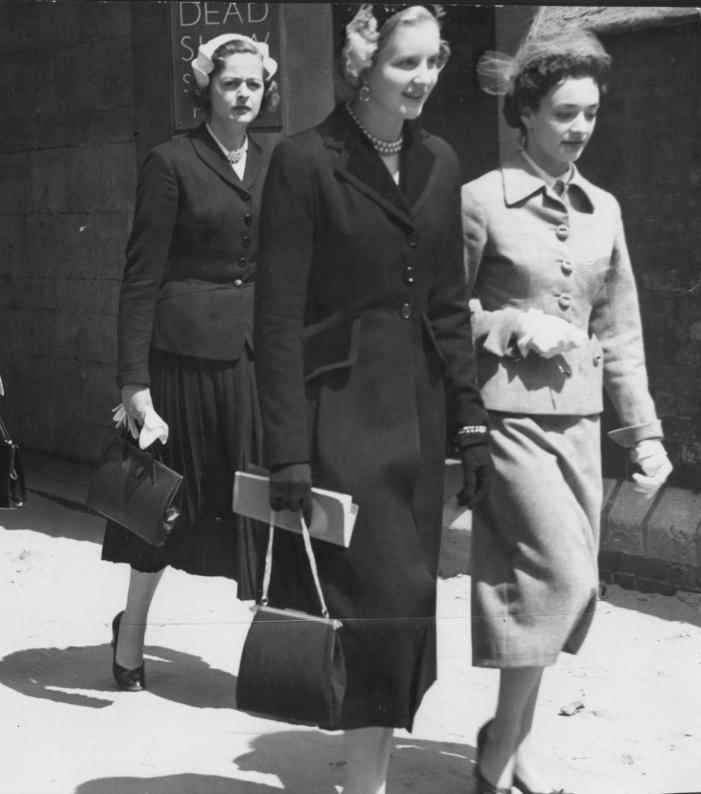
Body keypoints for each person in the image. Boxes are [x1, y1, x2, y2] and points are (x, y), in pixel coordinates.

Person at [253, 6, 492, 793]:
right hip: (342, 416)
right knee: (372, 602)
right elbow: (278, 317)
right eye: (403, 64)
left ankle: (370, 775)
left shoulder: (441, 161)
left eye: (433, 62)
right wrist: (287, 448)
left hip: (418, 417)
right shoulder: (304, 160)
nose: (422, 79)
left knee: (406, 603)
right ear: (364, 64)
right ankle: (368, 784)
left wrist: (472, 421)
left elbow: (449, 305)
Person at [462, 30, 673, 794]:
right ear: (526, 114)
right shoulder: (482, 199)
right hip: (510, 420)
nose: (580, 128)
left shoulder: (603, 209)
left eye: (589, 113)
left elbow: (620, 327)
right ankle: (500, 746)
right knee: (559, 579)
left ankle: (512, 742)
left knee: (562, 586)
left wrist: (642, 431)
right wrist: (511, 324)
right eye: (563, 113)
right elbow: (440, 312)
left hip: (579, 423)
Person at [101, 33, 280, 691]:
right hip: (181, 363)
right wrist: (134, 386)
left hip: (252, 360)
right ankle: (131, 637)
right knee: (162, 509)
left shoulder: (275, 159)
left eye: (253, 85)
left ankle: (269, 659)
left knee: (262, 507)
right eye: (230, 83)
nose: (242, 95)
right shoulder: (170, 161)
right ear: (206, 88)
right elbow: (140, 277)